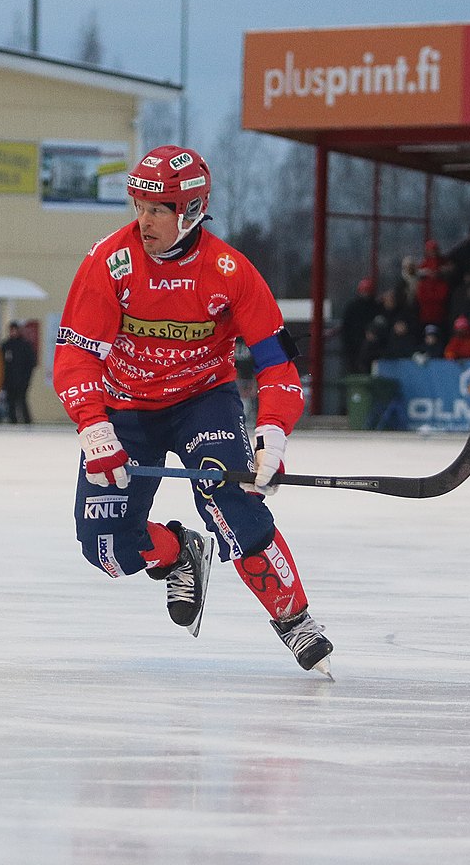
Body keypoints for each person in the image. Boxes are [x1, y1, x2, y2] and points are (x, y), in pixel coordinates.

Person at [53, 144, 333, 676]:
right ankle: (180, 551)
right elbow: (74, 356)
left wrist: (272, 434)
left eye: (159, 210)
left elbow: (277, 364)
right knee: (105, 551)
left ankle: (295, 620)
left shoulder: (231, 271)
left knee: (233, 503)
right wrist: (94, 428)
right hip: (123, 406)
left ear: (193, 211)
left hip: (203, 401)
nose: (144, 221)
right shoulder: (108, 263)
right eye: (139, 206)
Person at [339, 278, 382, 375]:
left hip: (366, 347)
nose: (365, 294)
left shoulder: (374, 307)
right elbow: (346, 329)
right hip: (355, 347)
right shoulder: (354, 307)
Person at [1, 320, 38, 424]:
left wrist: (26, 378)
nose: (13, 332)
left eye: (15, 330)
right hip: (9, 381)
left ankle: (27, 422)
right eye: (11, 330)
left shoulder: (25, 345)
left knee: (22, 401)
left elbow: (31, 363)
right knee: (10, 403)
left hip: (22, 380)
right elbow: (1, 364)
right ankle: (12, 421)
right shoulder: (6, 345)